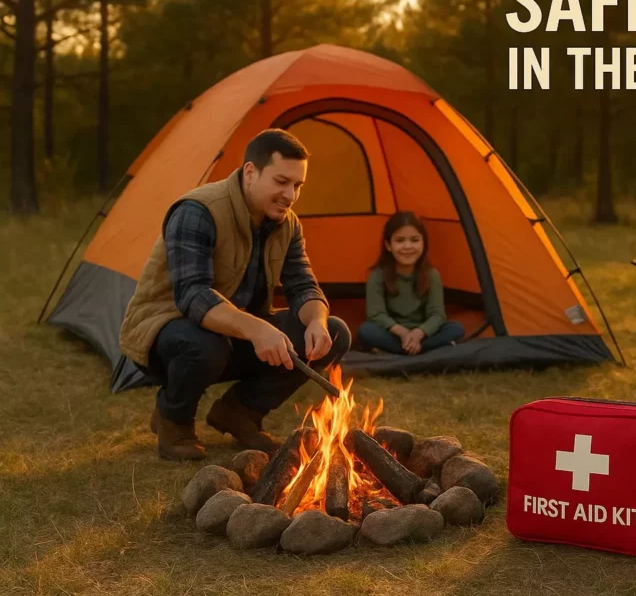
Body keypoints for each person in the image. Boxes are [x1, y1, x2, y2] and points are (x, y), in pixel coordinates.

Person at [119, 129, 351, 461]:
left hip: (234, 332)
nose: (290, 195)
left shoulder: (287, 224)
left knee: (336, 330)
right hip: (167, 330)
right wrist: (257, 329)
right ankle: (173, 418)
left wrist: (316, 321)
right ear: (251, 173)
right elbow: (193, 297)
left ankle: (239, 412)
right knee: (204, 344)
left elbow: (303, 286)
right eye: (281, 182)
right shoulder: (197, 211)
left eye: (297, 186)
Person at [357, 212, 465, 355]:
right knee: (366, 331)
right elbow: (376, 314)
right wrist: (403, 333)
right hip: (393, 333)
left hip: (423, 334)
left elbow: (437, 314)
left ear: (423, 244)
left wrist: (418, 334)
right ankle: (421, 349)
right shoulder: (377, 275)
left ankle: (403, 350)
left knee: (455, 329)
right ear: (388, 245)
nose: (407, 246)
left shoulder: (431, 275)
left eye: (414, 240)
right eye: (400, 240)